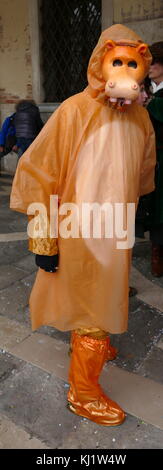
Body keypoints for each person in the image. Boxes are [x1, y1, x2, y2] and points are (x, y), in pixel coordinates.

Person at [10, 24, 156, 426]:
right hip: (79, 227)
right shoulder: (74, 110)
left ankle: (95, 340)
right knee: (92, 299)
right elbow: (37, 171)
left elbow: (143, 171)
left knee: (105, 293)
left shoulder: (141, 116)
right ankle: (84, 392)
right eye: (117, 61)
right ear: (101, 62)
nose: (125, 69)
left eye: (132, 62)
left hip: (115, 226)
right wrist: (43, 237)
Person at [145, 42, 163, 276]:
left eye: (154, 62)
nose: (149, 67)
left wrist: (150, 104)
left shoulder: (149, 96)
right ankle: (156, 248)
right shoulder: (141, 87)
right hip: (146, 155)